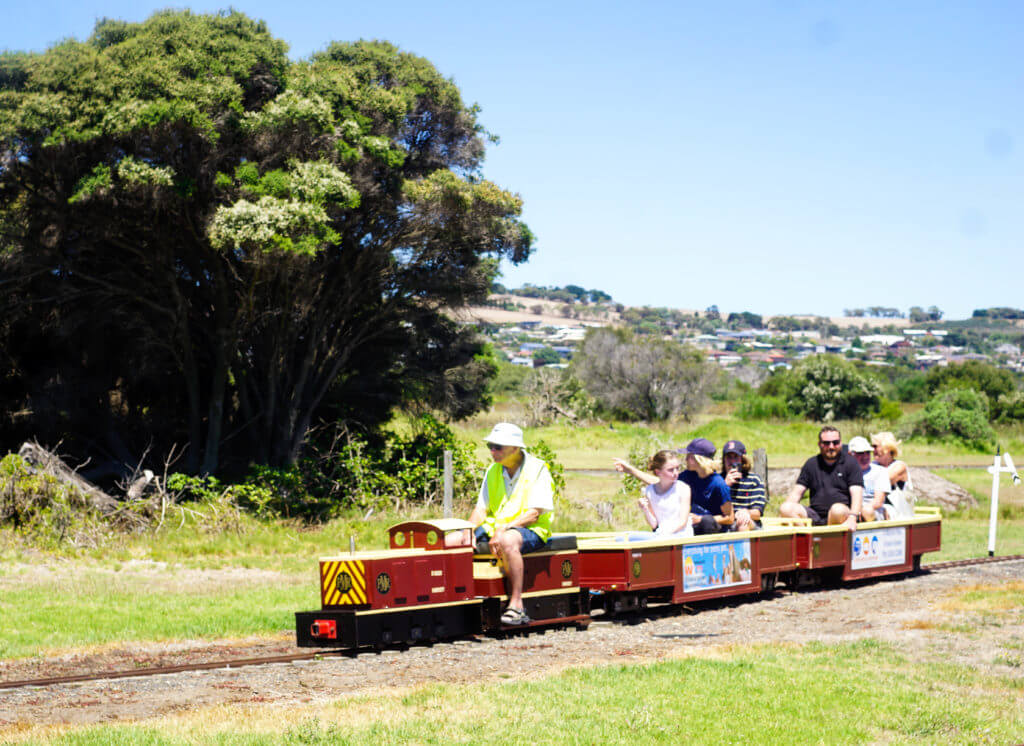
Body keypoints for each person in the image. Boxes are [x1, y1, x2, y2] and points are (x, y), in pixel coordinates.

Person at [467, 422, 554, 626]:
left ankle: (517, 605)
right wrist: (467, 530)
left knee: (507, 541)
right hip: (496, 527)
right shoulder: (493, 470)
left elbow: (534, 514)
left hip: (531, 529)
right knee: (454, 540)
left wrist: (504, 529)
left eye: (498, 447)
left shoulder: (538, 469)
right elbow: (481, 509)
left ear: (516, 448)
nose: (492, 451)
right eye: (490, 446)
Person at [613, 438, 733, 535]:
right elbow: (660, 481)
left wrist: (701, 519)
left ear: (698, 459)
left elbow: (730, 518)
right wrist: (630, 470)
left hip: (712, 532)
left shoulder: (718, 484)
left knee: (706, 522)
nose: (685, 459)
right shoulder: (688, 475)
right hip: (691, 527)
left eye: (689, 456)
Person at [780, 426, 863, 529]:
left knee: (837, 510)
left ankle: (830, 540)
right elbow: (796, 493)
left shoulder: (851, 463)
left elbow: (857, 494)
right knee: (786, 508)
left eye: (835, 442)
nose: (831, 447)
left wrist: (853, 516)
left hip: (842, 513)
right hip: (815, 514)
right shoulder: (811, 464)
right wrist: (784, 514)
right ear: (820, 444)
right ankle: (808, 539)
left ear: (841, 443)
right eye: (826, 443)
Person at [612, 450, 693, 539]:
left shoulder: (683, 488)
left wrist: (665, 534)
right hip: (660, 535)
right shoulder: (649, 491)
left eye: (677, 468)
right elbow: (654, 524)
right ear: (658, 472)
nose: (676, 473)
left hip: (680, 535)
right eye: (670, 470)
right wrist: (645, 509)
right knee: (622, 538)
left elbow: (682, 522)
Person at [720, 440, 766, 531]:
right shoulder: (718, 480)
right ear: (724, 460)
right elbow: (711, 509)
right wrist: (724, 487)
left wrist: (745, 512)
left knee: (742, 522)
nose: (732, 462)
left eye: (736, 457)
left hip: (748, 522)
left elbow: (757, 513)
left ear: (742, 460)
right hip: (725, 521)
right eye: (729, 457)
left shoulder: (754, 480)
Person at [849, 436, 891, 521]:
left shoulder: (880, 471)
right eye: (860, 453)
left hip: (873, 511)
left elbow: (878, 501)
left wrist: (858, 511)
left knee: (867, 511)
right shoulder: (845, 471)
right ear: (851, 454)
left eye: (867, 452)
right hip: (852, 511)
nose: (865, 456)